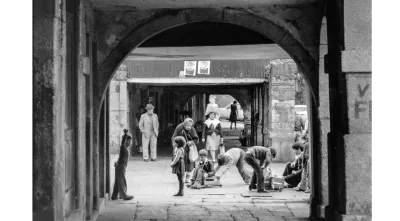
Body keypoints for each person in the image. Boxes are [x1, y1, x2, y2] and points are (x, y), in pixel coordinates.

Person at [171, 118, 199, 183]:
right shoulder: (179, 127)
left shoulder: (192, 129)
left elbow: (196, 139)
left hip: (189, 149)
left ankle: (187, 178)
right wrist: (175, 147)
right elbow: (173, 137)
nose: (189, 127)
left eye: (190, 126)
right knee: (181, 164)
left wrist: (191, 142)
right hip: (181, 148)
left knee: (190, 164)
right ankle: (181, 177)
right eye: (187, 125)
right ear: (184, 124)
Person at [111, 135, 134, 201]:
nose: (130, 143)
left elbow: (120, 157)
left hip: (121, 166)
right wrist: (125, 135)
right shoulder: (123, 147)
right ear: (125, 141)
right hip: (121, 166)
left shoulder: (125, 148)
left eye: (131, 141)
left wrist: (117, 161)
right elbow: (122, 144)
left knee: (117, 182)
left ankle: (114, 196)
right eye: (129, 141)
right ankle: (124, 196)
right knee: (122, 181)